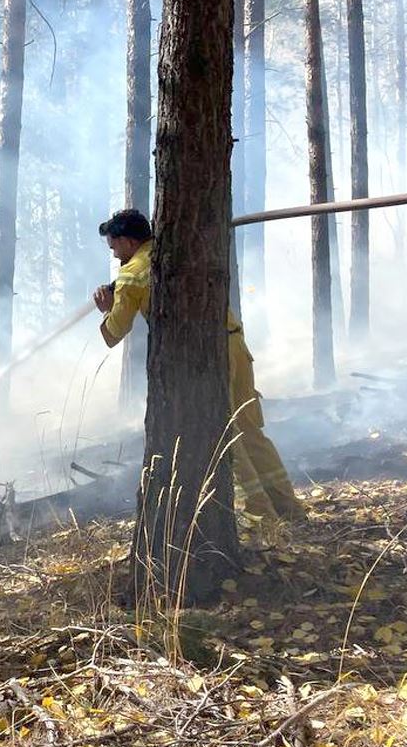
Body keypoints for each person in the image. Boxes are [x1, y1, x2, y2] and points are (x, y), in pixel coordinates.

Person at [93, 209, 304, 522]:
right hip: (233, 344)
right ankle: (289, 508)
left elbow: (114, 333)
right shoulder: (176, 248)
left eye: (114, 247)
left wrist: (107, 308)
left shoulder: (130, 274)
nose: (114, 255)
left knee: (225, 434)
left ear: (126, 241)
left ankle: (263, 514)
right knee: (249, 430)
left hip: (204, 358)